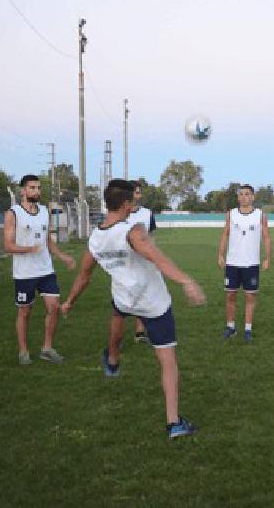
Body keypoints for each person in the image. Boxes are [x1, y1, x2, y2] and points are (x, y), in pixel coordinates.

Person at [61, 179, 206, 440]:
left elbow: (84, 276)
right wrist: (187, 281)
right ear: (127, 204)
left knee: (118, 315)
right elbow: (158, 258)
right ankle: (174, 423)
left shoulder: (95, 237)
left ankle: (113, 360)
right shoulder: (133, 231)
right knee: (168, 361)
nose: (135, 204)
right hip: (153, 303)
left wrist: (70, 300)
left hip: (125, 297)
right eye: (133, 201)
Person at [3, 174, 75, 365]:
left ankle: (47, 348)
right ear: (23, 190)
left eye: (38, 188)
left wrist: (62, 256)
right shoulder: (13, 213)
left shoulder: (44, 211)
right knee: (25, 312)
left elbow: (47, 240)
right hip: (24, 273)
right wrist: (29, 249)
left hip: (46, 270)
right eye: (32, 188)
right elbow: (8, 246)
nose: (37, 191)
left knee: (53, 307)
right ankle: (23, 351)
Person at [217, 184, 271, 342]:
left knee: (250, 297)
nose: (244, 197)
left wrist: (267, 258)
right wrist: (220, 254)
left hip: (251, 264)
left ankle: (248, 329)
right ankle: (231, 327)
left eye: (247, 194)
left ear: (253, 197)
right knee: (230, 295)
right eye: (241, 194)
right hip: (233, 263)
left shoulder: (260, 215)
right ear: (238, 197)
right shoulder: (231, 214)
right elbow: (225, 234)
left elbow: (266, 237)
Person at [127, 181, 159, 344]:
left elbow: (151, 237)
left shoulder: (147, 213)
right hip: (125, 262)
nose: (138, 194)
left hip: (144, 261)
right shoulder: (120, 213)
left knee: (144, 295)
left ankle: (140, 332)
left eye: (139, 192)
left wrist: (154, 255)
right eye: (135, 192)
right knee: (124, 300)